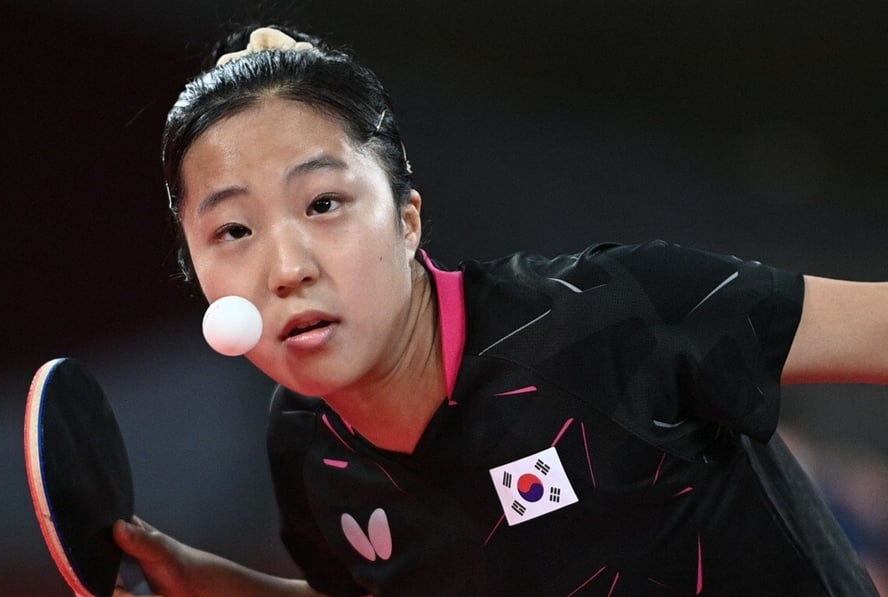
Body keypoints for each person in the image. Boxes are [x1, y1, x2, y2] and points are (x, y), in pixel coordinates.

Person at [110, 24, 886, 596]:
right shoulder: (311, 450)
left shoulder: (609, 319)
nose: (286, 267)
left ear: (408, 219)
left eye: (323, 202)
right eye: (233, 229)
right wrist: (204, 580)